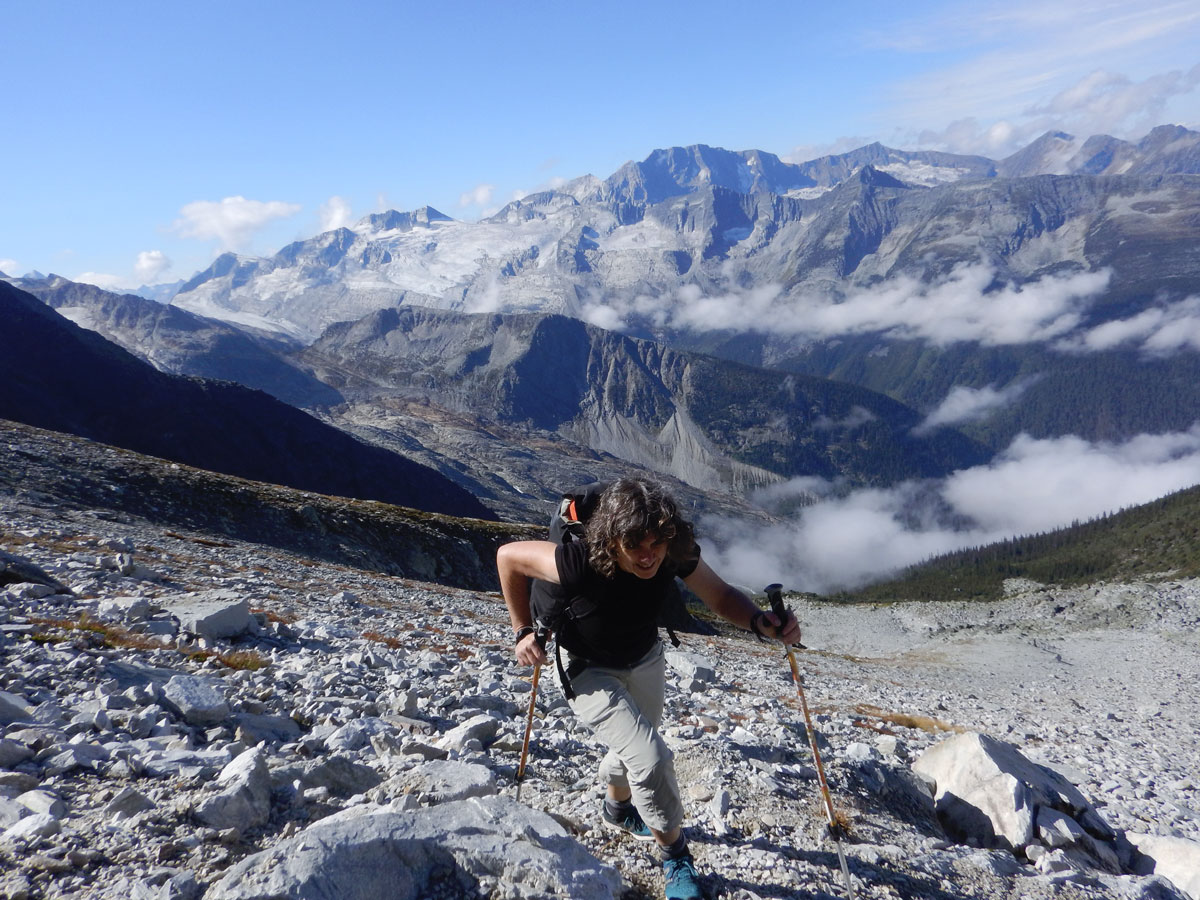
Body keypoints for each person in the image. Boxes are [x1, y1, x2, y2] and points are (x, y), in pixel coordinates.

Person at [497, 478, 802, 900]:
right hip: (585, 668)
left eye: (656, 543)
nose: (648, 555)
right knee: (651, 756)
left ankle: (618, 809)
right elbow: (507, 557)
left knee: (640, 744)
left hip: (644, 658)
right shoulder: (579, 559)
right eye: (635, 545)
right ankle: (675, 856)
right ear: (612, 540)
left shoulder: (674, 551)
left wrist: (759, 623)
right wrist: (522, 631)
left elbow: (719, 594)